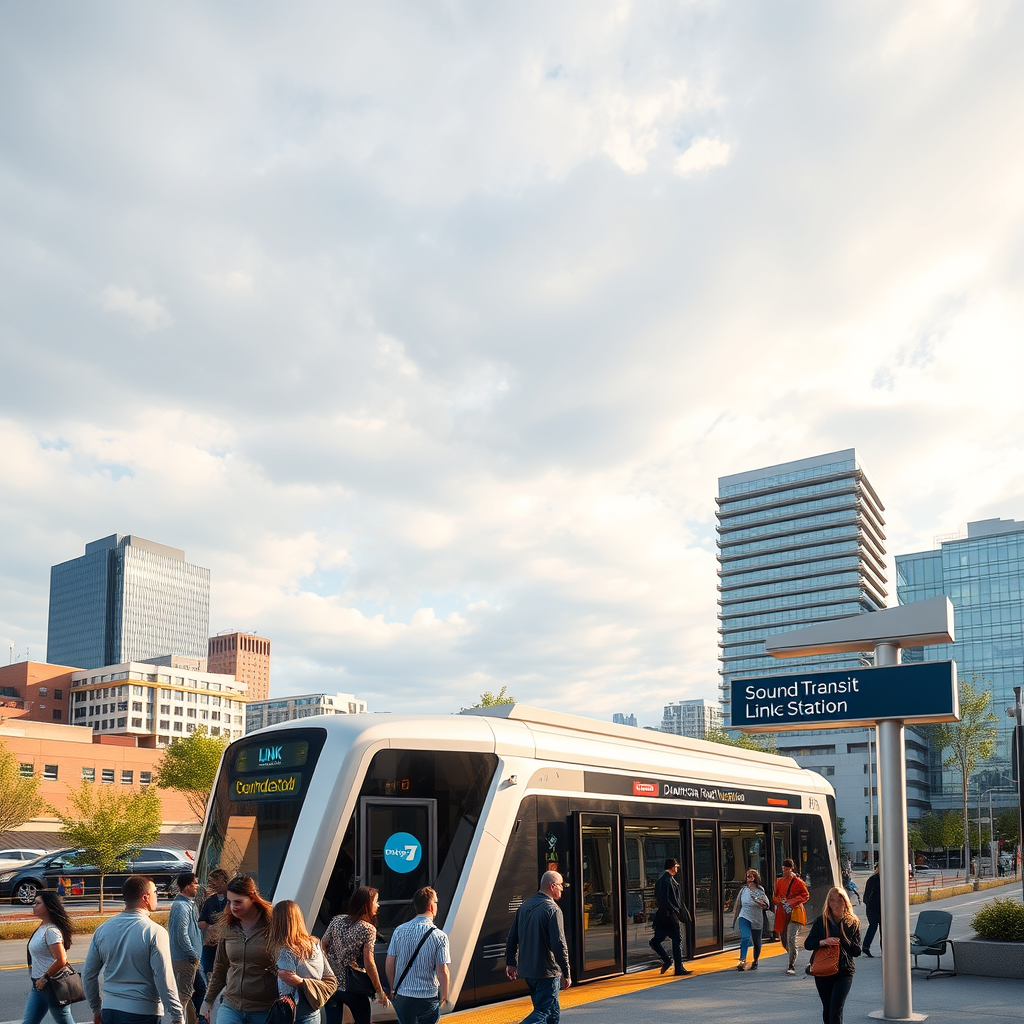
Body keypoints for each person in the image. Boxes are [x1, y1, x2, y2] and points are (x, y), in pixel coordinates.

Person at [83, 874, 184, 1024]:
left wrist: (96, 1009)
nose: (157, 896)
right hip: (143, 1011)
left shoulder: (103, 929)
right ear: (145, 898)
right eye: (155, 892)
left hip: (110, 1009)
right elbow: (164, 978)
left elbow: (88, 975)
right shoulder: (154, 931)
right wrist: (177, 1014)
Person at [201, 874, 278, 1024]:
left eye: (238, 902)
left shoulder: (273, 925)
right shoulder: (228, 927)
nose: (232, 907)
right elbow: (220, 967)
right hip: (232, 1006)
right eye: (230, 902)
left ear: (253, 898)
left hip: (264, 1009)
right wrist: (208, 1000)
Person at [505, 871, 571, 1024]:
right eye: (560, 885)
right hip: (547, 972)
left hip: (528, 971)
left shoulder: (525, 906)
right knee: (543, 1011)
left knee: (552, 1012)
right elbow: (559, 944)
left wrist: (510, 962)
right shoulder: (552, 910)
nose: (562, 889)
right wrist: (566, 972)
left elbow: (512, 937)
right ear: (552, 886)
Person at [322, 886, 389, 1024]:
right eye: (376, 901)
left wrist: (328, 966)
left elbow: (323, 944)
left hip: (331, 985)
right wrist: (379, 991)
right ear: (367, 904)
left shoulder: (336, 920)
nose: (378, 905)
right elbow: (369, 962)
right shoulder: (368, 929)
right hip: (354, 988)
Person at [386, 886, 451, 1024]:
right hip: (427, 997)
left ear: (416, 907)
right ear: (431, 907)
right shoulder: (440, 936)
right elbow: (442, 971)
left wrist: (392, 989)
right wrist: (444, 996)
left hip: (402, 996)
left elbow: (390, 962)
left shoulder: (399, 931)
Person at [269, 900, 337, 1024]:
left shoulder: (286, 950)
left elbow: (287, 988)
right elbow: (329, 976)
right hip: (313, 1012)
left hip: (292, 1015)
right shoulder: (315, 944)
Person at [804, 886, 862, 1024]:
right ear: (828, 903)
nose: (836, 904)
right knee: (827, 1007)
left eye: (839, 900)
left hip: (844, 970)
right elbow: (808, 944)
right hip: (823, 970)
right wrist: (822, 941)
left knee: (836, 1008)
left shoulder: (852, 922)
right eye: (832, 900)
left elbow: (857, 951)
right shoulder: (821, 921)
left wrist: (843, 938)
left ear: (845, 902)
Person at [23, 891, 76, 1024]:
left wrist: (45, 978)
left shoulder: (51, 931)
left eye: (38, 903)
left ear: (48, 906)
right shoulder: (42, 927)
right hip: (39, 986)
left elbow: (61, 960)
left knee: (64, 1021)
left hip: (52, 985)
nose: (33, 905)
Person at [649, 858, 693, 976]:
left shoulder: (663, 879)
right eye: (676, 866)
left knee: (656, 940)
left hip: (663, 915)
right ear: (673, 867)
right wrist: (676, 910)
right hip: (669, 915)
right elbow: (668, 899)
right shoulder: (667, 880)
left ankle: (667, 960)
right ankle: (678, 967)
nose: (677, 869)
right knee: (677, 940)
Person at [169, 871, 202, 1024]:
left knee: (193, 993)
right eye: (195, 883)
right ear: (187, 886)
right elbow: (181, 934)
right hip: (185, 959)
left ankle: (192, 1021)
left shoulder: (188, 904)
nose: (197, 886)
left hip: (192, 958)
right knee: (184, 995)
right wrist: (193, 954)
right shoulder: (181, 906)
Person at [772, 858, 809, 976]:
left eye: (787, 869)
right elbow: (775, 896)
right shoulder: (780, 882)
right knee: (783, 940)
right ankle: (792, 954)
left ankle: (791, 964)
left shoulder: (798, 882)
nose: (785, 871)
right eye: (783, 869)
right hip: (783, 913)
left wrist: (792, 901)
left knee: (791, 938)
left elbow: (805, 895)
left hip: (795, 913)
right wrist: (780, 901)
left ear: (791, 868)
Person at [732, 869, 770, 971]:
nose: (749, 879)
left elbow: (767, 905)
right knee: (745, 937)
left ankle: (755, 960)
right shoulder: (743, 890)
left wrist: (759, 902)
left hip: (756, 918)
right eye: (747, 877)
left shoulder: (760, 890)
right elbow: (738, 905)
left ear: (755, 878)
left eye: (751, 877)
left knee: (757, 942)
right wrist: (735, 918)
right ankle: (742, 960)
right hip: (744, 916)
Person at [198, 870, 230, 979]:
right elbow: (201, 922)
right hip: (212, 945)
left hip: (229, 944)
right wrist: (210, 929)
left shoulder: (233, 899)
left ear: (224, 881)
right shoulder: (210, 901)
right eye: (211, 883)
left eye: (216, 882)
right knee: (208, 970)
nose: (212, 886)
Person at [862, 864, 881, 957]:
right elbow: (866, 896)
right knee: (873, 926)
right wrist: (870, 904)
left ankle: (866, 947)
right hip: (873, 908)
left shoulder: (886, 879)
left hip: (880, 908)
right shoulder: (873, 879)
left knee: (881, 928)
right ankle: (865, 947)